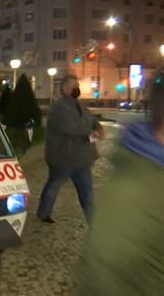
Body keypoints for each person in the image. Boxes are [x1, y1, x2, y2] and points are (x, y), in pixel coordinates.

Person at [77, 70, 164, 294]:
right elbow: (103, 272)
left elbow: (87, 126)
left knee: (82, 190)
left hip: (79, 157)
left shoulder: (80, 109)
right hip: (68, 157)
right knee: (64, 186)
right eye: (73, 87)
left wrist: (94, 133)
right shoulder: (136, 190)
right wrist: (88, 136)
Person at [37, 75, 104, 224]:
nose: (77, 88)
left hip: (82, 159)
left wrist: (98, 129)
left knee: (87, 192)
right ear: (64, 88)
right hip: (63, 157)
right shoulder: (59, 107)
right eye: (74, 85)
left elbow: (92, 121)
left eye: (77, 84)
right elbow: (70, 128)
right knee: (53, 186)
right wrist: (90, 132)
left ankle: (94, 220)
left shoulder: (80, 106)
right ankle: (44, 212)